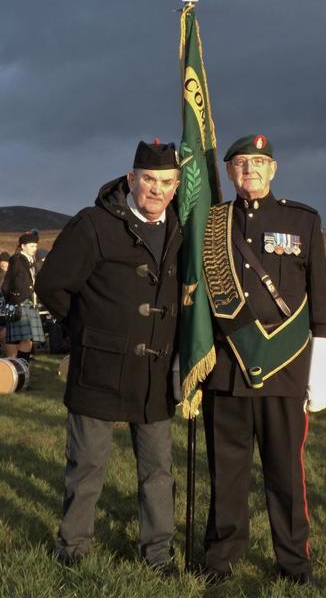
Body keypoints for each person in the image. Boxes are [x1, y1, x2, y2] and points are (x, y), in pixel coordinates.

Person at [200, 134, 326, 586]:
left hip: (284, 370)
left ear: (273, 170)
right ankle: (221, 560)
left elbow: (321, 302)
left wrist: (320, 377)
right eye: (241, 163)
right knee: (227, 473)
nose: (250, 171)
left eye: (259, 163)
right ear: (228, 172)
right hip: (226, 370)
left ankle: (294, 564)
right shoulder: (210, 223)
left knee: (286, 473)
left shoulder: (303, 221)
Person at [35, 140, 182, 570]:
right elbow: (52, 287)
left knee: (158, 470)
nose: (157, 190)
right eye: (150, 180)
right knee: (87, 466)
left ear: (176, 187)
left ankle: (158, 554)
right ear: (132, 179)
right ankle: (74, 549)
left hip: (154, 371)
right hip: (98, 366)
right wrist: (87, 332)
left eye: (167, 182)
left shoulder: (178, 229)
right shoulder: (94, 224)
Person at [2, 231, 45, 363]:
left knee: (27, 340)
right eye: (32, 245)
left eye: (35, 245)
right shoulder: (17, 259)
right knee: (15, 341)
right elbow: (8, 283)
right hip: (19, 303)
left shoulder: (32, 261)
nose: (35, 248)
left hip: (29, 302)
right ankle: (15, 372)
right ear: (23, 246)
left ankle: (23, 371)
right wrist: (14, 300)